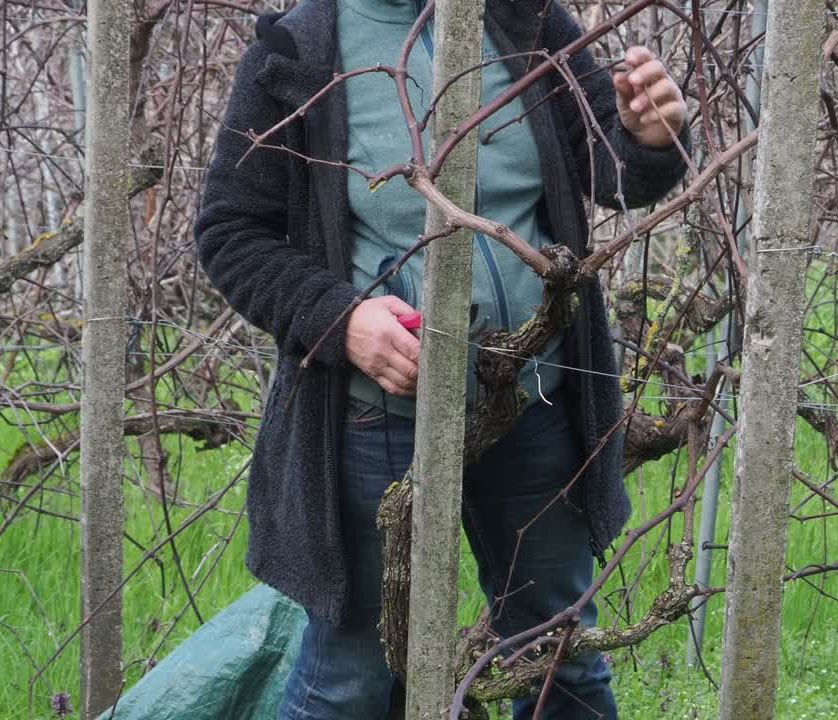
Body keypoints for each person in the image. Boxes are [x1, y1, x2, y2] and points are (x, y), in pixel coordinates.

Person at [194, 0, 689, 715]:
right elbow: (232, 230)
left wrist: (649, 137)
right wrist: (342, 321)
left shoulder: (527, 21)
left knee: (560, 658)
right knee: (351, 677)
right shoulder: (298, 50)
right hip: (374, 423)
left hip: (534, 402)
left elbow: (610, 168)